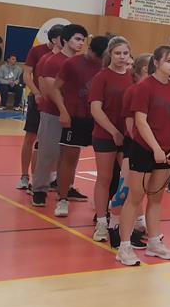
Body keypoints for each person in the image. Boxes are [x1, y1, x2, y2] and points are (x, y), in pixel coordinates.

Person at [116, 45, 170, 266]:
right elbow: (140, 121)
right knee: (135, 198)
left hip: (167, 152)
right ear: (156, 62)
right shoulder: (144, 87)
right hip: (144, 150)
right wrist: (155, 148)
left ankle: (154, 243)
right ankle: (124, 247)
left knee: (156, 199)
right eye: (169, 60)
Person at [30, 24, 88, 210]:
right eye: (77, 39)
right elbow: (49, 88)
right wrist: (63, 109)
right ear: (65, 39)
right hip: (53, 112)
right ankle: (39, 189)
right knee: (48, 152)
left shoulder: (80, 63)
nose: (81, 43)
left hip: (75, 116)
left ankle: (65, 187)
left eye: (83, 40)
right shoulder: (53, 61)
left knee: (70, 155)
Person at [53, 33, 106, 218]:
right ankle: (62, 198)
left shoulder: (106, 65)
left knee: (104, 161)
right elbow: (55, 88)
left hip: (98, 118)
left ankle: (102, 198)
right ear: (90, 49)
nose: (99, 60)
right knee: (69, 158)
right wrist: (63, 111)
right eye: (97, 56)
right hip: (75, 116)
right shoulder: (72, 63)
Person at [89, 37, 132, 242]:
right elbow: (95, 109)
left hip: (128, 136)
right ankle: (101, 222)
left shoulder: (132, 77)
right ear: (110, 54)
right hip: (105, 135)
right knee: (104, 179)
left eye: (125, 53)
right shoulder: (102, 77)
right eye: (117, 53)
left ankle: (126, 221)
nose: (122, 57)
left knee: (129, 180)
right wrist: (114, 132)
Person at [106, 53, 151, 249]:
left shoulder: (149, 90)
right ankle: (113, 226)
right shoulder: (134, 90)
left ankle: (134, 227)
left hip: (146, 146)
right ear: (145, 69)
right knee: (125, 189)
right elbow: (131, 124)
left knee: (137, 191)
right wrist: (143, 142)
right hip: (134, 146)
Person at [17, 25, 64, 191]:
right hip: (38, 99)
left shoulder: (66, 55)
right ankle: (24, 176)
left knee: (54, 141)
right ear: (55, 39)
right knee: (31, 137)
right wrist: (36, 93)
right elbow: (27, 75)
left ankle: (50, 178)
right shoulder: (37, 51)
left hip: (56, 102)